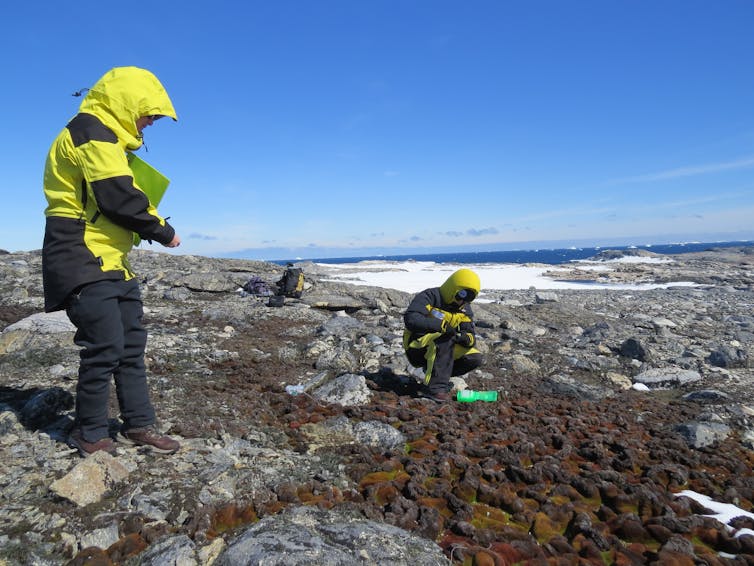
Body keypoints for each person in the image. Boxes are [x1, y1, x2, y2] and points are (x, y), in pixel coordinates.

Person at [42, 67, 181, 456]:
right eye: (150, 113)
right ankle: (90, 433)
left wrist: (148, 218)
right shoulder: (90, 131)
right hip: (78, 255)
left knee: (131, 345)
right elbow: (116, 196)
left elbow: (125, 193)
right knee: (104, 346)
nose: (151, 122)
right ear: (128, 102)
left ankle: (139, 425)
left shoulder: (110, 142)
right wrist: (162, 231)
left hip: (111, 259)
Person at [403, 268, 484, 401]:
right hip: (416, 346)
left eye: (468, 298)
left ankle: (437, 376)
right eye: (461, 294)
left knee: (474, 358)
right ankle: (435, 389)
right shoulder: (430, 296)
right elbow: (411, 319)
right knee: (445, 338)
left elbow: (470, 336)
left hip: (442, 350)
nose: (462, 302)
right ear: (453, 288)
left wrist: (463, 338)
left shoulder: (464, 309)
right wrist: (441, 326)